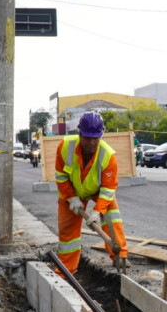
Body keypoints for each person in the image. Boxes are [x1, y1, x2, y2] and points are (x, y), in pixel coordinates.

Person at [54, 111, 129, 274]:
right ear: (80, 134)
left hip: (97, 190)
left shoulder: (108, 155)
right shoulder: (65, 147)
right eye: (87, 137)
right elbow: (60, 176)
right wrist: (71, 198)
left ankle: (119, 255)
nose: (91, 142)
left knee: (112, 214)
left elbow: (109, 189)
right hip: (72, 191)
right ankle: (67, 270)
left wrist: (97, 211)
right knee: (68, 231)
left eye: (96, 138)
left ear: (101, 135)